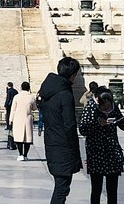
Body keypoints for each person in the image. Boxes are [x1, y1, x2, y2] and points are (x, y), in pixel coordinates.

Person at [79, 86, 124, 204]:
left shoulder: (114, 108)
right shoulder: (90, 108)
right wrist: (98, 124)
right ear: (98, 101)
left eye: (109, 103)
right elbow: (83, 130)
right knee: (96, 189)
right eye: (105, 104)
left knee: (112, 190)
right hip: (96, 152)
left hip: (112, 152)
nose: (107, 107)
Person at [38, 57, 83, 204]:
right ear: (72, 74)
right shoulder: (65, 94)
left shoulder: (47, 93)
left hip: (51, 142)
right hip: (64, 147)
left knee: (61, 187)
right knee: (62, 189)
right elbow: (69, 125)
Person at [9, 82, 37, 161]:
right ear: (29, 88)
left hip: (18, 118)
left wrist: (10, 119)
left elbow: (13, 109)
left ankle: (20, 154)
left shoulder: (16, 97)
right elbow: (34, 108)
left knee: (19, 137)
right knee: (27, 138)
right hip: (27, 119)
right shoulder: (31, 97)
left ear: (21, 87)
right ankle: (25, 155)